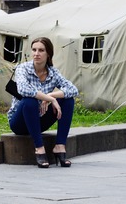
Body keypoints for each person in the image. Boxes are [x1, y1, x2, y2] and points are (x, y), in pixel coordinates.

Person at [7, 37, 79, 168]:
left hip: (40, 120)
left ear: (48, 54)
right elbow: (23, 89)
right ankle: (39, 149)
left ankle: (60, 146)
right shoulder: (22, 69)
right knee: (30, 101)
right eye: (34, 50)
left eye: (41, 50)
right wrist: (49, 99)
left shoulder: (53, 73)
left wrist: (51, 95)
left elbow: (73, 89)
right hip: (20, 122)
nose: (36, 53)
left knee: (67, 99)